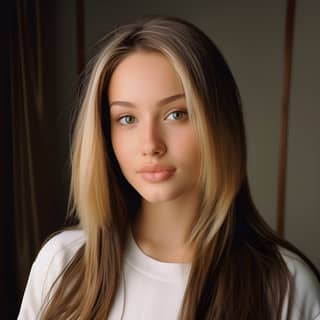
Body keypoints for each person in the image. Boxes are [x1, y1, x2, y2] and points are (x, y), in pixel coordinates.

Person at [18, 15, 320, 320]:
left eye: (176, 114)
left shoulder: (286, 286)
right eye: (127, 119)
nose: (150, 144)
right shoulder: (61, 263)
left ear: (219, 122)